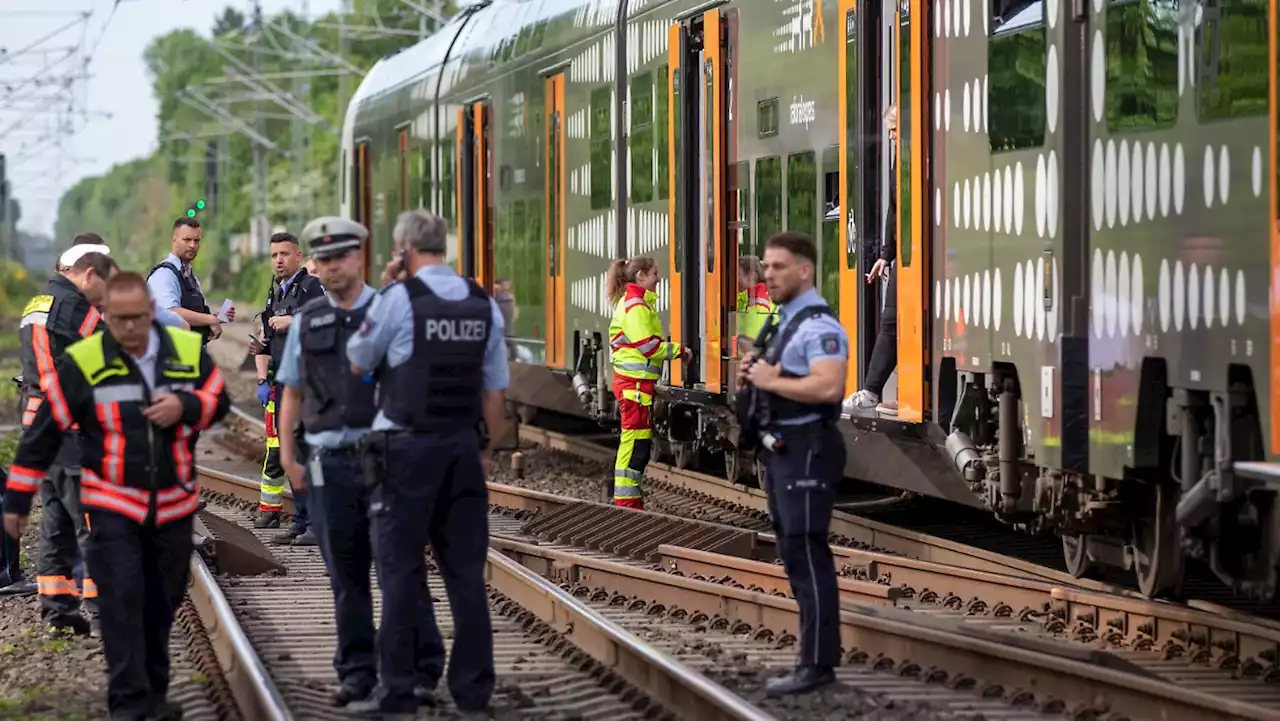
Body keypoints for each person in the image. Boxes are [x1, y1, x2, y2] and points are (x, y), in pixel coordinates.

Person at [4, 271, 230, 720]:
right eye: (118, 319)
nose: (128, 328)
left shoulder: (185, 352)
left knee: (160, 605)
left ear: (152, 314)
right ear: (106, 315)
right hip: (113, 507)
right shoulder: (85, 361)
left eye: (137, 319)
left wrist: (185, 407)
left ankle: (153, 694)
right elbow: (43, 433)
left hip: (173, 508)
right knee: (122, 602)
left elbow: (217, 399)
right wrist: (16, 501)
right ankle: (129, 704)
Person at [276, 216, 443, 709]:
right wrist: (288, 454)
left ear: (359, 258)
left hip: (387, 460)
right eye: (322, 259)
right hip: (329, 463)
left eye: (340, 257)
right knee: (346, 576)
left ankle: (420, 668)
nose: (330, 267)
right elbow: (291, 391)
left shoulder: (392, 311)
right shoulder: (307, 320)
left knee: (404, 569)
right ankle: (356, 672)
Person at [345, 209, 506, 718]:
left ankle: (397, 693)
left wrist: (390, 285)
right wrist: (484, 452)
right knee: (465, 576)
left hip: (405, 455)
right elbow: (495, 393)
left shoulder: (398, 299)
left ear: (404, 249)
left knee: (398, 573)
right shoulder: (484, 304)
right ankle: (474, 694)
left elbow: (357, 359)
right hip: (461, 449)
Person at [741, 231, 847, 696]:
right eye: (765, 266)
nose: (768, 274)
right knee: (793, 553)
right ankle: (812, 659)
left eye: (778, 266)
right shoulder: (784, 321)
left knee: (806, 552)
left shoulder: (819, 326)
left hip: (808, 447)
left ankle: (818, 664)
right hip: (784, 448)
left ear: (804, 270)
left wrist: (769, 379)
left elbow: (828, 387)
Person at [17, 249, 118, 636]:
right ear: (89, 274)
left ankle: (57, 609)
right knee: (92, 518)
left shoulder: (37, 302)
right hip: (69, 427)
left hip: (36, 424)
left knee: (56, 518)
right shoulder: (77, 307)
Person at [249, 232, 326, 541]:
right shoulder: (276, 292)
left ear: (298, 255)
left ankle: (317, 522)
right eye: (273, 255)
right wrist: (261, 348)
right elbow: (271, 333)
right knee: (290, 453)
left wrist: (292, 321)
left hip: (308, 384)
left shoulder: (311, 287)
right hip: (283, 382)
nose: (278, 260)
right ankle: (302, 520)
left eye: (284, 254)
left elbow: (324, 322)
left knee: (311, 454)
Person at [605, 257, 691, 509]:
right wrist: (679, 351)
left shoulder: (636, 304)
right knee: (634, 443)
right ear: (641, 276)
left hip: (637, 387)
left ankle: (629, 500)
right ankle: (627, 503)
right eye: (655, 273)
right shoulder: (635, 307)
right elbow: (648, 346)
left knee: (637, 443)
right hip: (634, 387)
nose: (658, 278)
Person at [844, 104, 899, 417]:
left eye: (894, 130)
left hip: (916, 255)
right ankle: (873, 391)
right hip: (903, 255)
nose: (890, 137)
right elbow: (895, 208)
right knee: (892, 322)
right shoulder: (900, 158)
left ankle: (870, 392)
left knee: (892, 322)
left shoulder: (917, 155)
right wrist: (885, 255)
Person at [147, 217, 233, 345]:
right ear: (174, 240)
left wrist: (217, 317)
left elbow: (191, 311)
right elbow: (170, 312)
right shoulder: (165, 274)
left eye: (196, 240)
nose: (192, 245)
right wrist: (210, 319)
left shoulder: (188, 275)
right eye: (187, 240)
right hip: (170, 352)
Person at [736, 255, 775, 356]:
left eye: (737, 274)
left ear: (751, 276)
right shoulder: (744, 297)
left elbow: (754, 340)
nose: (734, 278)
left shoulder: (759, 298)